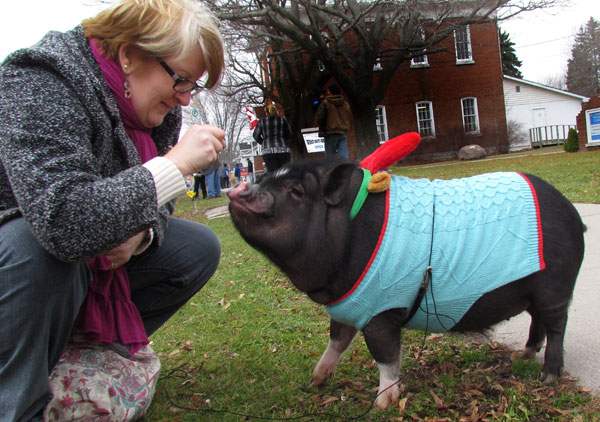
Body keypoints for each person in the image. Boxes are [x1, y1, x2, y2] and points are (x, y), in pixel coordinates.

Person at [0, 0, 226, 420]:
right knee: (39, 252)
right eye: (180, 80)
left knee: (196, 248)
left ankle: (83, 353)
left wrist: (144, 235)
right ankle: (17, 398)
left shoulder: (153, 113)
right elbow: (63, 219)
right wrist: (173, 164)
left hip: (77, 266)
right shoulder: (41, 77)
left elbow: (158, 201)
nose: (183, 99)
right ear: (129, 54)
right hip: (21, 263)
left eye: (192, 86)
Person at [252, 104, 292, 172]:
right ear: (276, 111)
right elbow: (289, 133)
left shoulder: (262, 121)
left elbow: (256, 135)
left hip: (268, 151)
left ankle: (275, 182)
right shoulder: (282, 120)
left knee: (273, 173)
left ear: (266, 112)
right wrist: (283, 140)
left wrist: (263, 142)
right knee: (284, 172)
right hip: (282, 149)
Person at [316, 83, 352, 158]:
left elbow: (320, 116)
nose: (327, 93)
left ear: (331, 92)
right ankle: (346, 169)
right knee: (344, 157)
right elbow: (349, 116)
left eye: (328, 91)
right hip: (342, 132)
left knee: (330, 158)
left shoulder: (326, 103)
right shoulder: (345, 103)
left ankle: (332, 169)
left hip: (330, 132)